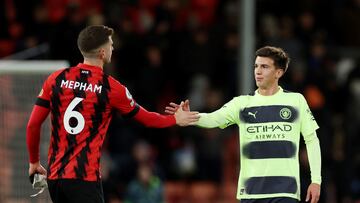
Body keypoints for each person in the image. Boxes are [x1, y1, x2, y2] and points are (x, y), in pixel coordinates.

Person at [26, 25, 199, 203]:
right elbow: (147, 119)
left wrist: (34, 162)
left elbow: (33, 124)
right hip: (84, 178)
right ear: (102, 52)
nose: (113, 48)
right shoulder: (111, 88)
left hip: (55, 178)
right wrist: (175, 119)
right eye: (110, 44)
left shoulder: (55, 79)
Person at [165, 46, 321, 203]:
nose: (258, 71)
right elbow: (214, 118)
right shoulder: (242, 103)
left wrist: (316, 180)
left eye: (264, 67)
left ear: (278, 73)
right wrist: (191, 117)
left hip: (285, 191)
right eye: (256, 66)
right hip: (251, 193)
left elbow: (311, 139)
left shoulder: (296, 101)